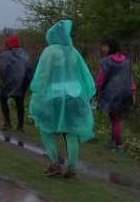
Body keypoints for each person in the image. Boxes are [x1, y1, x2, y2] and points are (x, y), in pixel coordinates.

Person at [28, 19, 95, 178]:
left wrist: (38, 92)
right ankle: (71, 169)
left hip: (55, 96)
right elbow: (83, 75)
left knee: (45, 128)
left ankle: (54, 163)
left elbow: (43, 76)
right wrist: (86, 94)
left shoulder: (50, 52)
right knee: (71, 132)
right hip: (75, 96)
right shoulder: (74, 52)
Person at [95, 38, 135, 154]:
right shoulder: (126, 60)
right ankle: (112, 142)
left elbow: (101, 78)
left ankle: (119, 145)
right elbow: (130, 77)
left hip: (112, 93)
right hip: (126, 91)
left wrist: (96, 89)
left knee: (114, 120)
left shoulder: (106, 61)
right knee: (117, 118)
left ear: (110, 47)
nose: (103, 49)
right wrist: (133, 91)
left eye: (104, 46)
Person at [0, 33, 32, 131]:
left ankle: (7, 122)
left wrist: (3, 80)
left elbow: (2, 69)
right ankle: (20, 125)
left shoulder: (5, 55)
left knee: (3, 99)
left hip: (8, 82)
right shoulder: (24, 53)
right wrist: (27, 82)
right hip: (22, 82)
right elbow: (29, 67)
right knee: (19, 103)